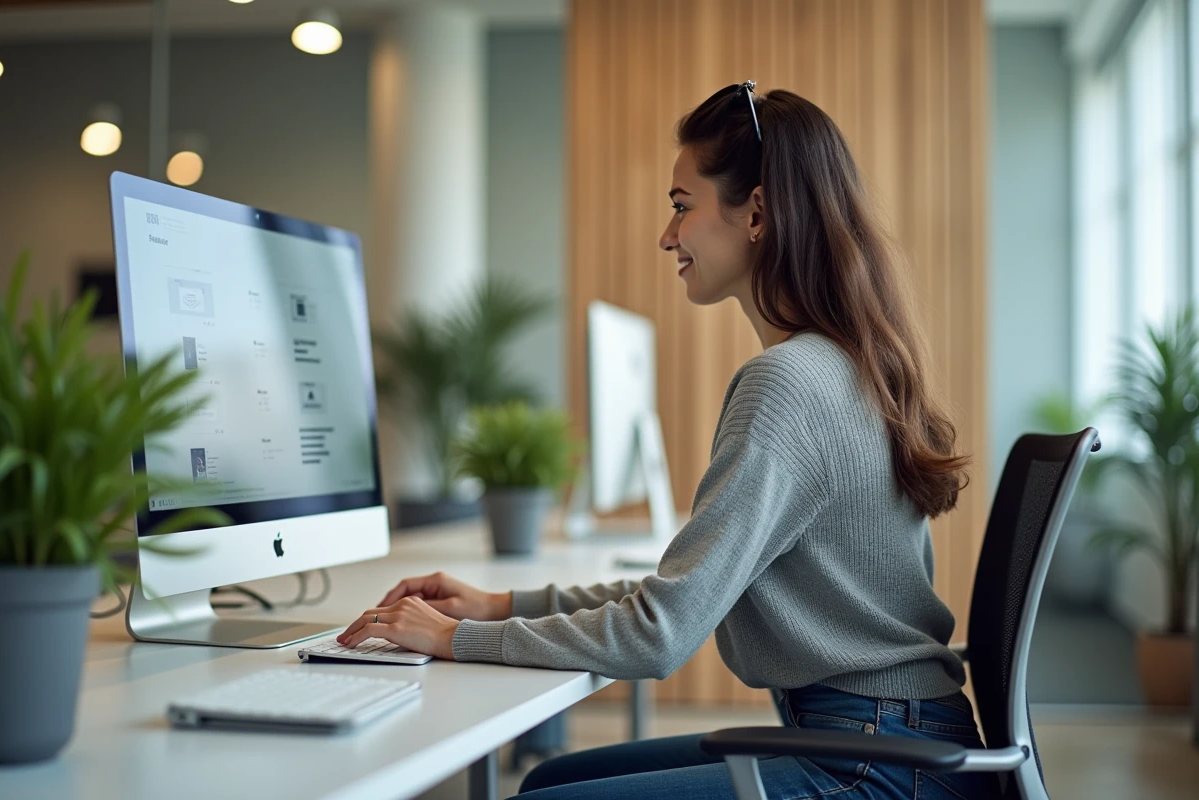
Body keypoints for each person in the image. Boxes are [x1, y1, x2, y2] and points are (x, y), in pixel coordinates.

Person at [336, 81, 1001, 800]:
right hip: (894, 740)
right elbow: (689, 594)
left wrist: (448, 640)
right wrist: (501, 607)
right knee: (552, 780)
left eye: (681, 206)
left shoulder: (786, 385)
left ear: (757, 212)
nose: (666, 235)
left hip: (876, 762)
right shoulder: (844, 362)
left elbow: (660, 634)